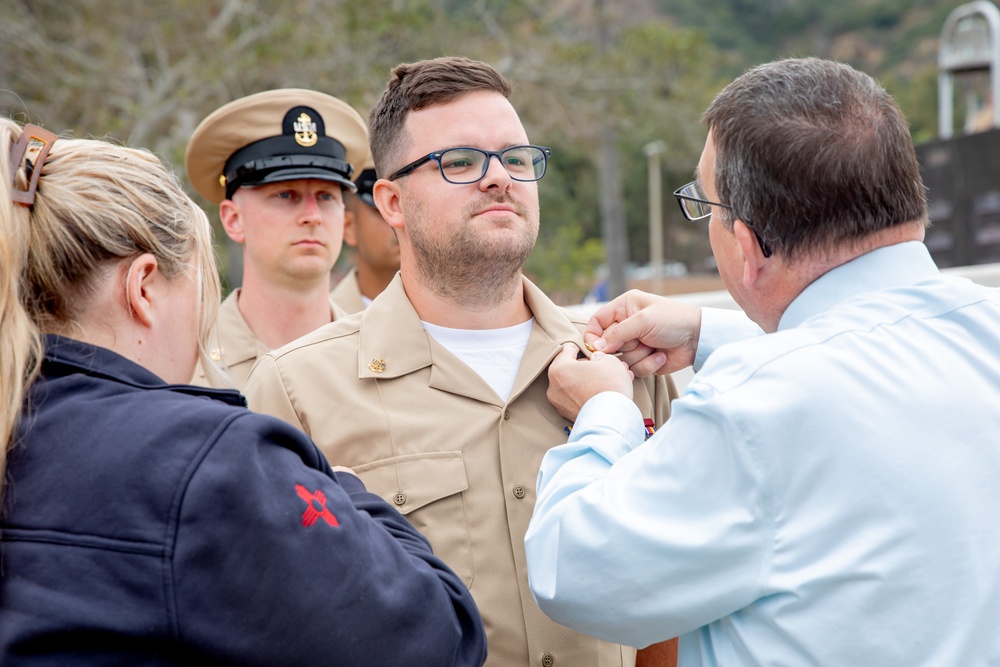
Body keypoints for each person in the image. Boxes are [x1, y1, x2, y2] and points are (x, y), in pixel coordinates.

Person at [524, 57, 1000, 666]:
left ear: (747, 246)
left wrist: (602, 411)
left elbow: (576, 570)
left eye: (706, 205)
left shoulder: (752, 407)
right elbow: (865, 369)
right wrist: (709, 334)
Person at [0, 117, 486, 665]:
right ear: (143, 288)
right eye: (197, 288)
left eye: (327, 197)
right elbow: (439, 636)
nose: (309, 214)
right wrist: (342, 490)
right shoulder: (204, 455)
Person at [243, 56, 677, 666]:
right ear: (391, 202)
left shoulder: (624, 356)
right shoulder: (299, 389)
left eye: (516, 158)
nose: (499, 178)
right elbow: (281, 621)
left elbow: (670, 598)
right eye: (461, 162)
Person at [185, 88, 368, 387]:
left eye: (325, 196)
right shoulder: (185, 361)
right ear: (234, 219)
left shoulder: (386, 354)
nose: (313, 215)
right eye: (286, 195)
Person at [330, 156, 400, 313]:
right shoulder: (322, 323)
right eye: (383, 209)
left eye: (409, 207)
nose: (401, 219)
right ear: (348, 227)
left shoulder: (458, 319)